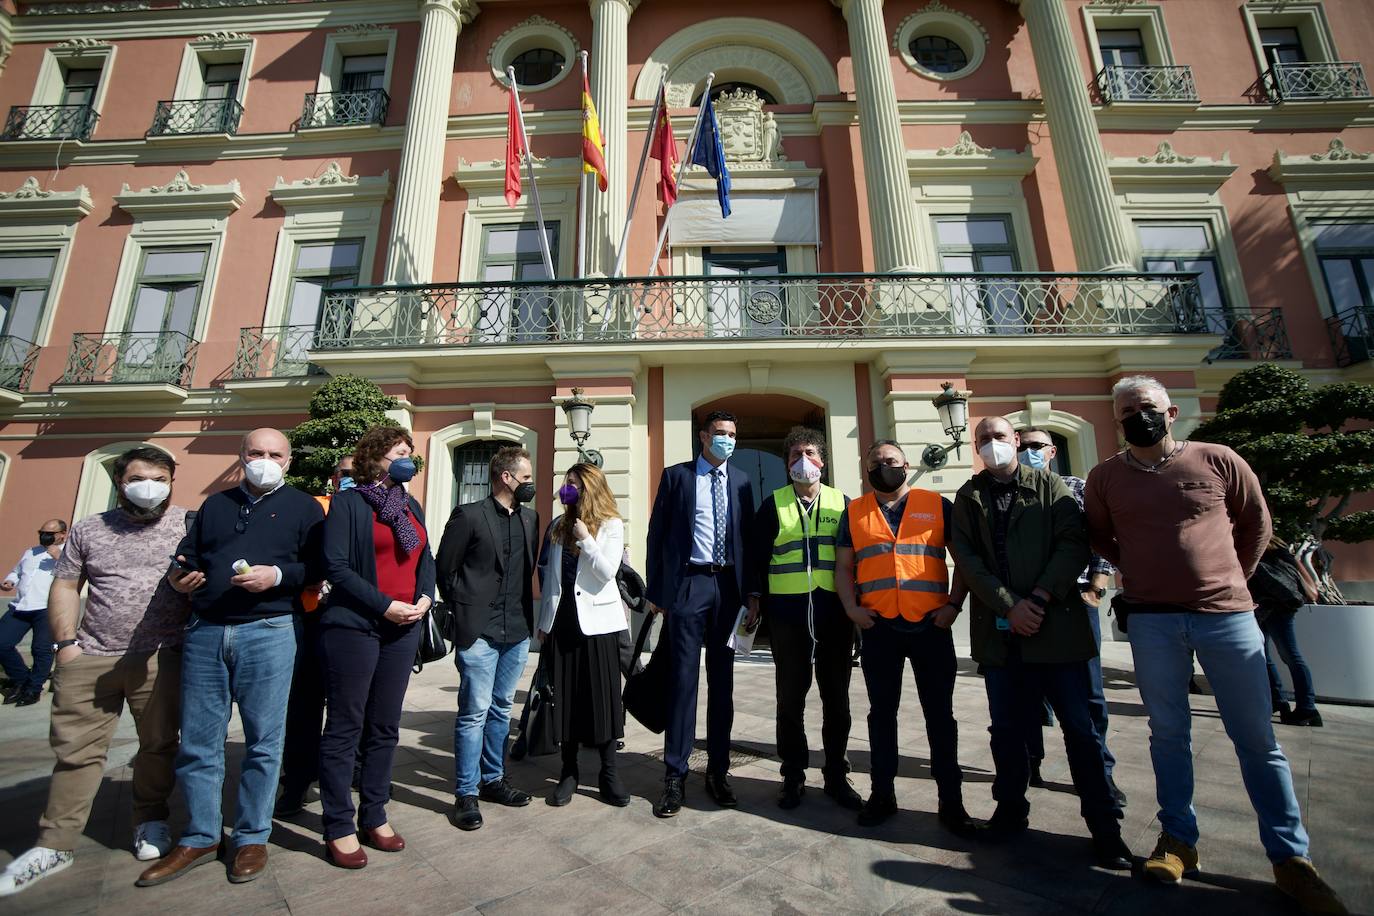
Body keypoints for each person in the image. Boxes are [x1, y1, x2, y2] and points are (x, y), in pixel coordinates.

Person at [1085, 376, 1346, 914]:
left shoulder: (1218, 459)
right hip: (1153, 621)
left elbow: (1256, 523)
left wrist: (1232, 578)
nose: (1137, 416)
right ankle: (1178, 840)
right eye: (1127, 411)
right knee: (1168, 735)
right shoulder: (1106, 476)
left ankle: (1290, 858)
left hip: (1227, 617)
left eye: (1146, 407)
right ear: (1117, 420)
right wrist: (1139, 568)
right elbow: (1100, 534)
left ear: (1171, 412)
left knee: (1257, 740)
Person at [138, 429, 325, 888]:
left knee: (264, 741)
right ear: (241, 456)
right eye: (256, 452)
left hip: (270, 630)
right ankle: (201, 835)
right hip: (206, 630)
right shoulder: (215, 505)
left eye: (275, 454)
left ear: (288, 461)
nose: (265, 460)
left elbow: (319, 567)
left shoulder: (305, 508)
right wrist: (179, 576)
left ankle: (251, 836)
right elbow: (187, 556)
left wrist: (276, 575)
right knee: (198, 741)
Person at [0, 448, 190, 897]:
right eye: (138, 478)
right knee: (76, 752)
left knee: (158, 745)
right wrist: (65, 645)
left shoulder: (188, 524)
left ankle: (150, 819)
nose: (149, 487)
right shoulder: (89, 528)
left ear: (171, 482)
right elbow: (67, 584)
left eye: (160, 478)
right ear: (120, 482)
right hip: (91, 656)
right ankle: (55, 843)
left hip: (159, 655)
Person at [951, 418, 1131, 870]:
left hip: (1057, 628)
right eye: (983, 439)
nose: (992, 445)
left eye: (999, 437)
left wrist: (1037, 598)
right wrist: (1009, 605)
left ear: (1015, 441)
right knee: (1007, 730)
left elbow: (1074, 545)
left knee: (1080, 730)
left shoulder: (1053, 487)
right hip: (1000, 633)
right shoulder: (969, 495)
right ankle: (1010, 812)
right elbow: (967, 559)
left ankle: (1105, 827)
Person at [834, 440, 975, 837]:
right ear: (867, 470)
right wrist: (851, 609)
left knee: (940, 716)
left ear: (906, 464)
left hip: (931, 626)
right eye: (876, 462)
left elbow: (964, 560)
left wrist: (954, 605)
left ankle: (951, 801)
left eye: (891, 461)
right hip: (879, 628)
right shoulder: (854, 511)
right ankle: (882, 795)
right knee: (881, 715)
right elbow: (844, 567)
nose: (884, 467)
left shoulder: (937, 504)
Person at [315, 427, 434, 868]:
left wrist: (425, 597)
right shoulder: (348, 503)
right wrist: (385, 605)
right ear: (375, 458)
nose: (407, 460)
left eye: (409, 453)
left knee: (385, 726)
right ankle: (338, 825)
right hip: (356, 627)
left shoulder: (409, 504)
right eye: (399, 452)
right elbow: (336, 566)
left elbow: (425, 558)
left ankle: (375, 814)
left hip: (403, 629)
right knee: (345, 727)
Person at [645, 410, 758, 818]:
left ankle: (718, 772)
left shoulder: (742, 481)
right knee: (682, 681)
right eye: (721, 433)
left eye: (733, 434)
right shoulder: (677, 477)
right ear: (704, 437)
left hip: (729, 589)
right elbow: (657, 534)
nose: (728, 440)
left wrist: (753, 594)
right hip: (689, 585)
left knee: (722, 683)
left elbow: (749, 540)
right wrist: (658, 592)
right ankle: (674, 775)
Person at [750, 426, 861, 811]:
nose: (803, 460)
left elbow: (857, 560)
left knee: (837, 700)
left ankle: (836, 775)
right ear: (787, 464)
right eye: (795, 454)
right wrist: (754, 600)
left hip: (834, 613)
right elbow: (756, 558)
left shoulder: (842, 503)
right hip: (788, 614)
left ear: (822, 462)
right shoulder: (773, 504)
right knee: (789, 699)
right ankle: (793, 775)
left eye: (810, 453)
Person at [1016, 427, 1125, 806]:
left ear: (1052, 451)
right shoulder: (1007, 490)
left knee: (1089, 691)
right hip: (1024, 602)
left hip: (1074, 600)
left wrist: (1097, 586)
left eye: (1037, 446)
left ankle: (1100, 770)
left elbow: (1100, 537)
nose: (1029, 451)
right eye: (1023, 445)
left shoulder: (1076, 487)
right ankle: (1029, 762)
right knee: (1025, 689)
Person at [436, 445, 539, 831]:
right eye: (526, 477)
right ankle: (466, 793)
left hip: (517, 630)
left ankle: (494, 780)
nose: (530, 483)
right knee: (473, 713)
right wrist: (465, 610)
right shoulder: (469, 515)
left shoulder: (531, 518)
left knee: (500, 710)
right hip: (479, 630)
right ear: (506, 477)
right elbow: (444, 568)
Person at [536, 462, 630, 808]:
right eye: (566, 482)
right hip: (563, 623)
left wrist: (586, 539)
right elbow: (551, 578)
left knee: (603, 699)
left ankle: (609, 773)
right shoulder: (558, 526)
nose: (567, 489)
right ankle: (569, 771)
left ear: (590, 488)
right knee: (567, 699)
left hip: (598, 625)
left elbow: (607, 572)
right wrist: (544, 623)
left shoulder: (611, 524)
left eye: (574, 484)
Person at [276, 454, 354, 817]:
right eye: (345, 473)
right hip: (310, 618)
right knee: (304, 705)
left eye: (359, 474)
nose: (351, 479)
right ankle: (296, 780)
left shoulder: (373, 510)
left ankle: (351, 771)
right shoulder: (313, 508)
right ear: (333, 477)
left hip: (354, 620)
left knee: (351, 706)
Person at [1251, 536, 1323, 727]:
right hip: (1267, 608)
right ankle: (1279, 701)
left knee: (1288, 656)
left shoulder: (1268, 549)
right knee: (1264, 656)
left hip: (1275, 608)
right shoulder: (1277, 549)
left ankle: (1306, 707)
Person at [0, 519, 67, 706]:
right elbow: (17, 571)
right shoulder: (31, 552)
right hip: (20, 606)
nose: (44, 536)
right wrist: (10, 581)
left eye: (50, 533)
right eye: (42, 532)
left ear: (63, 534)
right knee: (2, 643)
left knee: (41, 649)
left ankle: (34, 689)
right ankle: (21, 680)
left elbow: (77, 574)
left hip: (46, 608)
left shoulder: (68, 554)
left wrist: (59, 557)